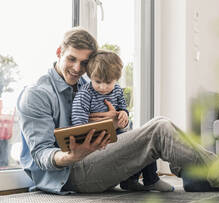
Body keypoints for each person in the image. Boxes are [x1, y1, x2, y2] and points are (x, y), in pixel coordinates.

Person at [17, 27, 219, 195]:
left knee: (159, 124)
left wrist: (117, 121)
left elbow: (119, 132)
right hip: (68, 176)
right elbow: (40, 154)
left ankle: (195, 177)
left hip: (94, 161)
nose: (77, 68)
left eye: (84, 62)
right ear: (58, 52)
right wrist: (69, 155)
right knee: (159, 128)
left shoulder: (88, 87)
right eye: (71, 59)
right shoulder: (37, 95)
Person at [71, 49, 174, 192]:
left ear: (116, 79)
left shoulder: (118, 90)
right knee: (141, 142)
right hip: (97, 139)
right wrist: (102, 126)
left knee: (144, 142)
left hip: (117, 131)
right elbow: (78, 126)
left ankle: (145, 179)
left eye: (108, 82)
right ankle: (140, 180)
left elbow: (123, 110)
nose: (103, 87)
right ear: (90, 76)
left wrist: (123, 114)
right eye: (98, 81)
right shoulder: (84, 95)